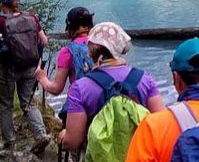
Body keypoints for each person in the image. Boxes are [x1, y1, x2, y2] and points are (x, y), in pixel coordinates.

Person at [60, 21, 165, 150]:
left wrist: (65, 135)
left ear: (91, 49)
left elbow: (73, 142)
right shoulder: (144, 78)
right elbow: (161, 125)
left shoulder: (80, 87)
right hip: (140, 160)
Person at [0, 0, 50, 154]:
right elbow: (44, 41)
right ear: (17, 2)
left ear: (1, 3)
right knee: (28, 103)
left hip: (7, 68)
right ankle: (41, 134)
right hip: (30, 67)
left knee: (5, 105)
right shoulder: (32, 17)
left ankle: (9, 143)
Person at [35, 6, 95, 96]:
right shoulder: (100, 44)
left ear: (71, 27)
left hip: (79, 101)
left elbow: (56, 89)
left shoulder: (67, 51)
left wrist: (42, 78)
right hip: (104, 103)